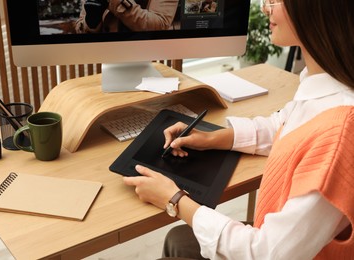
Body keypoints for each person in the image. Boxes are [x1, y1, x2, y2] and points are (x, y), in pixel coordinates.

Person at [123, 0, 354, 259]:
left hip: (273, 249)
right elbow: (284, 126)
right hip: (278, 238)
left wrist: (174, 199)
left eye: (276, 1)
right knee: (179, 238)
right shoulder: (324, 85)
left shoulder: (341, 133)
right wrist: (211, 138)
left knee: (180, 238)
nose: (267, 8)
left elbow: (267, 253)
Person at [75, 0, 179, 33]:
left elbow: (160, 25)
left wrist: (117, 2)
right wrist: (91, 21)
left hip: (145, 60)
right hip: (103, 61)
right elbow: (81, 28)